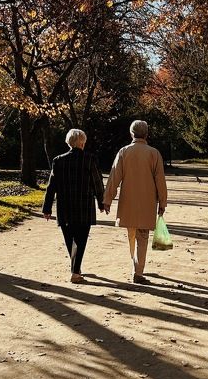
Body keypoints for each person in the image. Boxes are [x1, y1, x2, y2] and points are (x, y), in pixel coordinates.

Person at [103, 119, 167, 284]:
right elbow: (160, 180)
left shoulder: (124, 152)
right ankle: (138, 272)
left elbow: (114, 176)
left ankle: (135, 265)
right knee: (143, 236)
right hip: (147, 202)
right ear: (146, 134)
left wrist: (107, 199)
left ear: (132, 133)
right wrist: (162, 202)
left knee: (131, 234)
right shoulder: (154, 153)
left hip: (128, 202)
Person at [43, 128, 106, 284]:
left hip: (65, 206)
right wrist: (101, 202)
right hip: (84, 204)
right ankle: (75, 271)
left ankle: (75, 266)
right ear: (82, 143)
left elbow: (52, 186)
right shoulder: (90, 159)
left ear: (68, 142)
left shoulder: (58, 160)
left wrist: (47, 207)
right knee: (81, 238)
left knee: (69, 238)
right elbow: (97, 182)